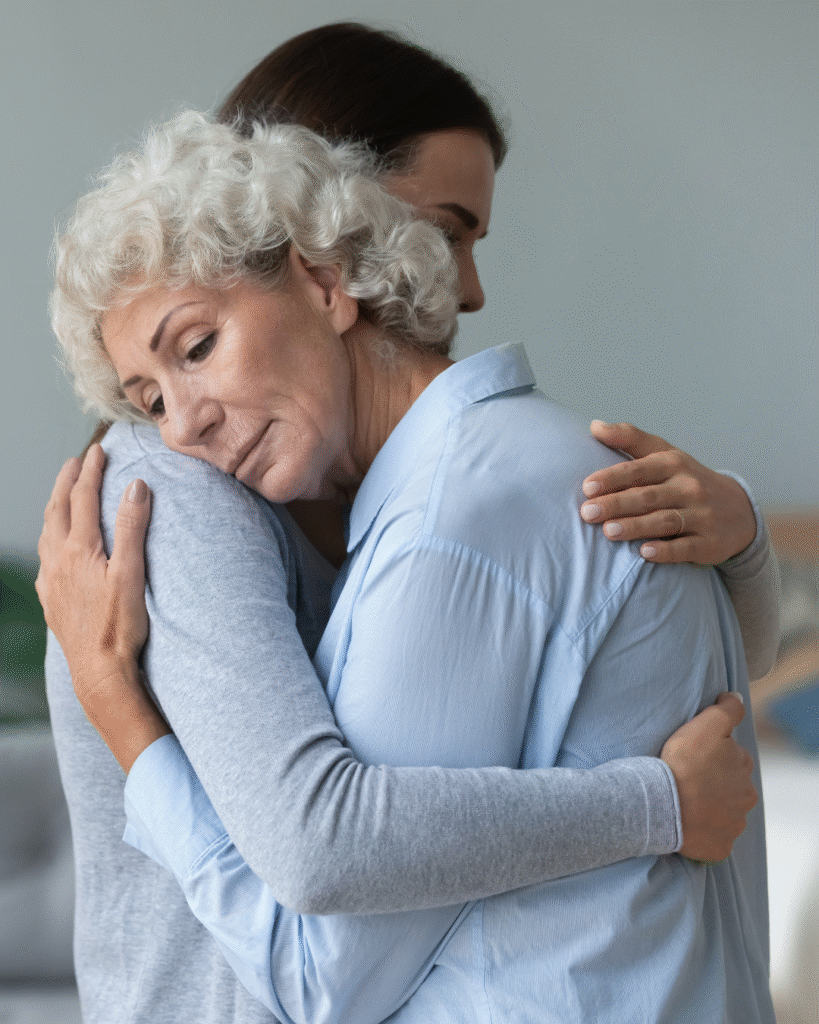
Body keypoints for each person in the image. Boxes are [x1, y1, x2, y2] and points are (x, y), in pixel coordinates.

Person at [39, 109, 774, 1023]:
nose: (182, 425)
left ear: (323, 282)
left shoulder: (449, 520)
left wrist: (119, 706)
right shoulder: (509, 467)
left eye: (197, 348)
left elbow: (322, 971)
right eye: (149, 399)